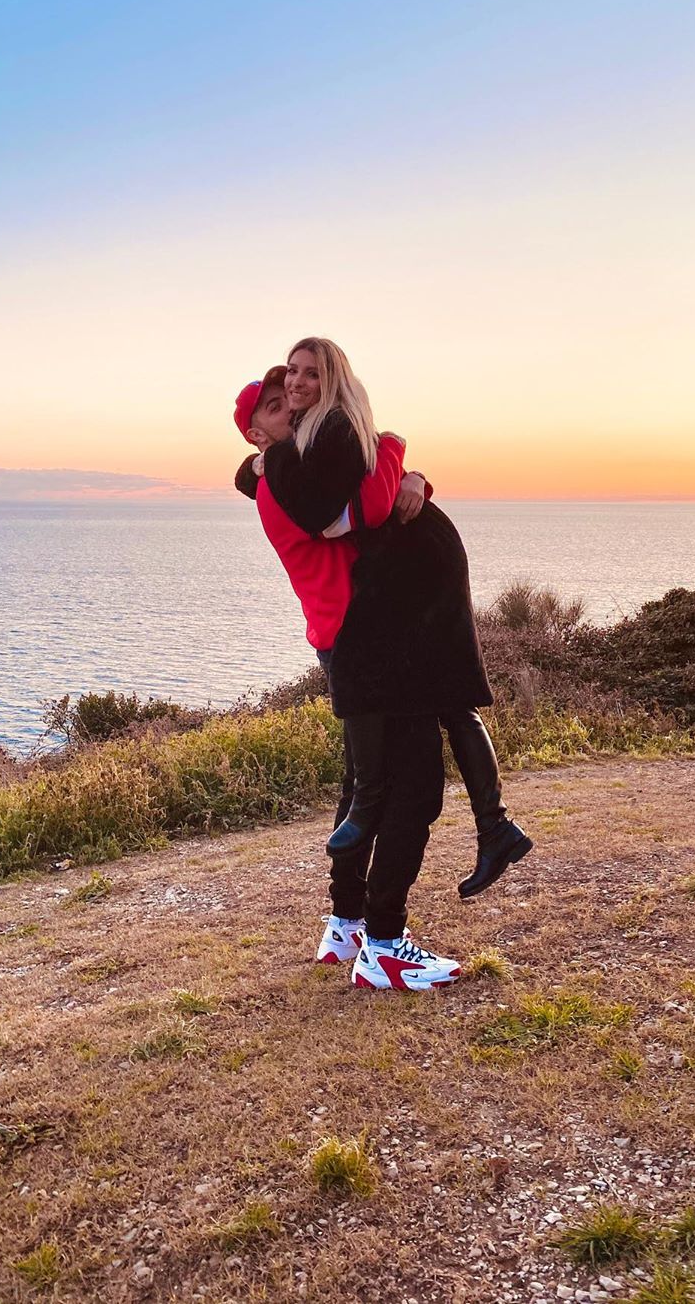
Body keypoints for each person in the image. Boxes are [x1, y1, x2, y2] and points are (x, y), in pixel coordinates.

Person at [231, 341, 531, 988]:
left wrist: (411, 475)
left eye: (299, 388)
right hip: (362, 638)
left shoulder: (300, 462)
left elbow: (364, 490)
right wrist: (395, 451)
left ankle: (348, 925)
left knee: (365, 786)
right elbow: (358, 511)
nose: (293, 402)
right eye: (278, 403)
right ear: (258, 431)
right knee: (409, 790)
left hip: (364, 634)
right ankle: (386, 943)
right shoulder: (280, 471)